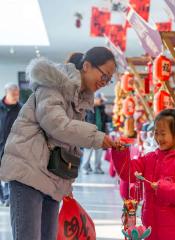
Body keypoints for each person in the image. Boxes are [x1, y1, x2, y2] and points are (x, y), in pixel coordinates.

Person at [0, 46, 120, 240]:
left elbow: (69, 144)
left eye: (109, 80)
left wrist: (67, 185)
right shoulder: (54, 84)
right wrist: (97, 137)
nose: (104, 83)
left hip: (52, 177)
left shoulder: (80, 99)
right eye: (104, 76)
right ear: (87, 66)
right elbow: (56, 124)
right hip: (28, 171)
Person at [112, 109, 175, 240]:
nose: (158, 138)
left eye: (163, 134)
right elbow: (128, 173)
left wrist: (163, 188)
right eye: (156, 133)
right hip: (151, 231)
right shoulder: (151, 158)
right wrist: (120, 154)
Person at [0, 83, 22, 206]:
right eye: (13, 94)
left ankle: (9, 196)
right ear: (6, 93)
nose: (15, 96)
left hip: (14, 148)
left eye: (17, 94)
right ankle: (2, 197)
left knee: (10, 174)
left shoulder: (21, 109)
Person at [82, 93, 109, 174]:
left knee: (99, 152)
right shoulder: (87, 108)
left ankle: (97, 168)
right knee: (88, 152)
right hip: (89, 133)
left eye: (102, 100)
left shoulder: (101, 108)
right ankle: (85, 168)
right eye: (100, 100)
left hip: (100, 133)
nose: (101, 101)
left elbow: (106, 119)